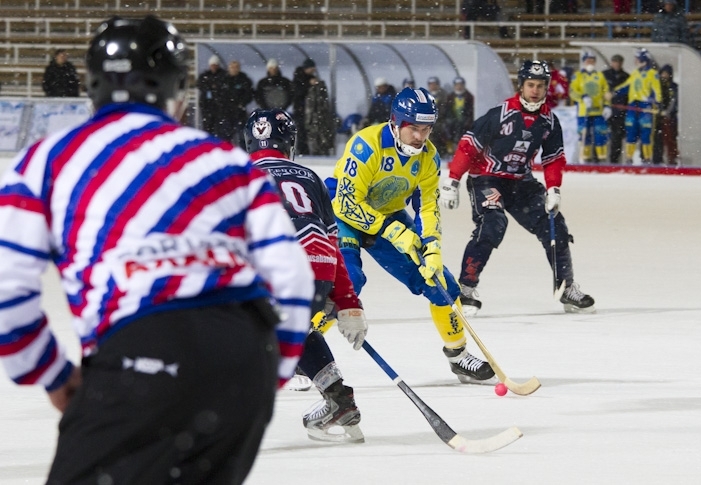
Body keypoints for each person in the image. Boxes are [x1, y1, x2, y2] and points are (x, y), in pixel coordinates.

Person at [0, 16, 314, 484]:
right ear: (178, 90)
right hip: (243, 351)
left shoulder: (45, 160)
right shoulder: (227, 160)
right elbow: (292, 278)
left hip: (140, 348)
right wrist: (268, 374)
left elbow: (8, 292)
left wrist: (52, 374)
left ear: (93, 86)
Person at [327, 87, 496, 385]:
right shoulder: (366, 145)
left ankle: (458, 357)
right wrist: (393, 231)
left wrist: (431, 247)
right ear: (396, 123)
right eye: (413, 129)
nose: (420, 137)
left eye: (426, 129)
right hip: (342, 213)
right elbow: (347, 203)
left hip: (388, 213)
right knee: (348, 282)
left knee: (440, 282)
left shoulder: (428, 158)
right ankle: (300, 353)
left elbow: (427, 207)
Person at [245, 108, 367, 443]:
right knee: (298, 324)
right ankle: (339, 400)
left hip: (273, 271)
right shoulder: (310, 176)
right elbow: (332, 244)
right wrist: (347, 302)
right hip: (317, 274)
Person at [439, 60, 596, 315]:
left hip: (521, 183)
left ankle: (566, 287)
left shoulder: (549, 121)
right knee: (492, 224)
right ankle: (464, 290)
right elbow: (469, 147)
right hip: (487, 179)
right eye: (530, 85)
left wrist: (554, 188)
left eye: (540, 86)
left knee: (554, 225)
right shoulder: (498, 115)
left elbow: (553, 157)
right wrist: (453, 180)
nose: (535, 91)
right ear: (520, 86)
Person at [611, 48, 663, 164]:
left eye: (637, 59)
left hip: (646, 107)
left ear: (643, 59)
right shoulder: (635, 73)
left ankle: (647, 158)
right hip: (632, 106)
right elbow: (626, 86)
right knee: (631, 132)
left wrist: (655, 102)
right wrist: (614, 92)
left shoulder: (652, 74)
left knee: (646, 133)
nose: (635, 61)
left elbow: (657, 91)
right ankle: (629, 158)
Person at [569, 51, 611, 163]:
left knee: (601, 135)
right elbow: (572, 92)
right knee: (584, 135)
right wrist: (582, 97)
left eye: (592, 60)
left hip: (598, 111)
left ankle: (601, 159)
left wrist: (607, 105)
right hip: (584, 111)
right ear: (584, 61)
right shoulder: (577, 76)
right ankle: (585, 159)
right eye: (588, 60)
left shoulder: (600, 75)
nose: (590, 62)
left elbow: (606, 91)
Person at [603, 54, 630, 164]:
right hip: (605, 110)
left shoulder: (626, 77)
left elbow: (628, 93)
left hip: (620, 112)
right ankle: (598, 159)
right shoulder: (604, 75)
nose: (617, 64)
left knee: (617, 137)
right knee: (601, 135)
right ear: (611, 62)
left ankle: (614, 161)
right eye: (615, 61)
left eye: (619, 62)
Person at [196, 54, 229, 139]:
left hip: (219, 107)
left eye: (215, 65)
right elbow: (200, 84)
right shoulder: (205, 75)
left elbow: (223, 87)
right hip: (207, 106)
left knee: (220, 129)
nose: (213, 67)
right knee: (207, 128)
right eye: (212, 65)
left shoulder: (223, 75)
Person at [304, 71, 336, 155]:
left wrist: (308, 121)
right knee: (320, 141)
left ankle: (319, 153)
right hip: (319, 121)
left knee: (318, 141)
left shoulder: (316, 91)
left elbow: (311, 108)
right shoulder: (319, 91)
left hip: (317, 121)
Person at [224, 59, 254, 148]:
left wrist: (241, 103)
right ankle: (226, 152)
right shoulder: (223, 80)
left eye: (236, 67)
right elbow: (219, 95)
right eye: (232, 67)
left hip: (239, 112)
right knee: (226, 135)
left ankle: (243, 152)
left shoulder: (244, 80)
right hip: (226, 112)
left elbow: (249, 94)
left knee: (242, 135)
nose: (234, 69)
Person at [653, 64, 679, 165]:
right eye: (663, 73)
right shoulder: (658, 85)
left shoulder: (673, 87)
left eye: (666, 73)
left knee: (671, 139)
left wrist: (667, 112)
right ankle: (657, 159)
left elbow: (674, 102)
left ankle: (672, 158)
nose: (664, 75)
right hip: (659, 117)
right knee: (658, 138)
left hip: (670, 117)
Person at [292, 58, 318, 155]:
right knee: (302, 131)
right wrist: (308, 84)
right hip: (301, 109)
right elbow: (298, 92)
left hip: (307, 110)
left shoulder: (307, 77)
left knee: (307, 131)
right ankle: (303, 150)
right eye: (311, 68)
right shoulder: (299, 78)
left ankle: (306, 150)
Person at [444, 76, 475, 153]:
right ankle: (450, 147)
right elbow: (447, 111)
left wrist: (467, 120)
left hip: (464, 122)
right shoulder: (450, 97)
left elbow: (470, 111)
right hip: (453, 121)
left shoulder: (469, 96)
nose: (459, 87)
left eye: (461, 85)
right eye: (457, 85)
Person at [427, 76, 450, 158]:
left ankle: (442, 153)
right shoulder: (426, 96)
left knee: (441, 137)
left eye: (434, 84)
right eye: (431, 84)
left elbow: (445, 109)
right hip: (429, 120)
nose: (432, 86)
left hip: (440, 121)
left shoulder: (443, 95)